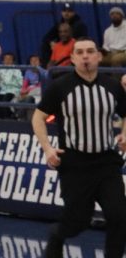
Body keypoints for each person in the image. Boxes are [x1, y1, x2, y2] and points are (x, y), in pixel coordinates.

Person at [32, 37, 126, 258]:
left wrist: (124, 133)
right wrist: (47, 149)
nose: (86, 56)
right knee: (77, 222)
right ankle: (57, 234)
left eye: (90, 51)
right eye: (80, 52)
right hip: (75, 164)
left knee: (120, 216)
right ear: (72, 58)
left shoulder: (112, 86)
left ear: (99, 56)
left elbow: (125, 113)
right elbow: (38, 117)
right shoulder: (61, 86)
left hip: (106, 162)